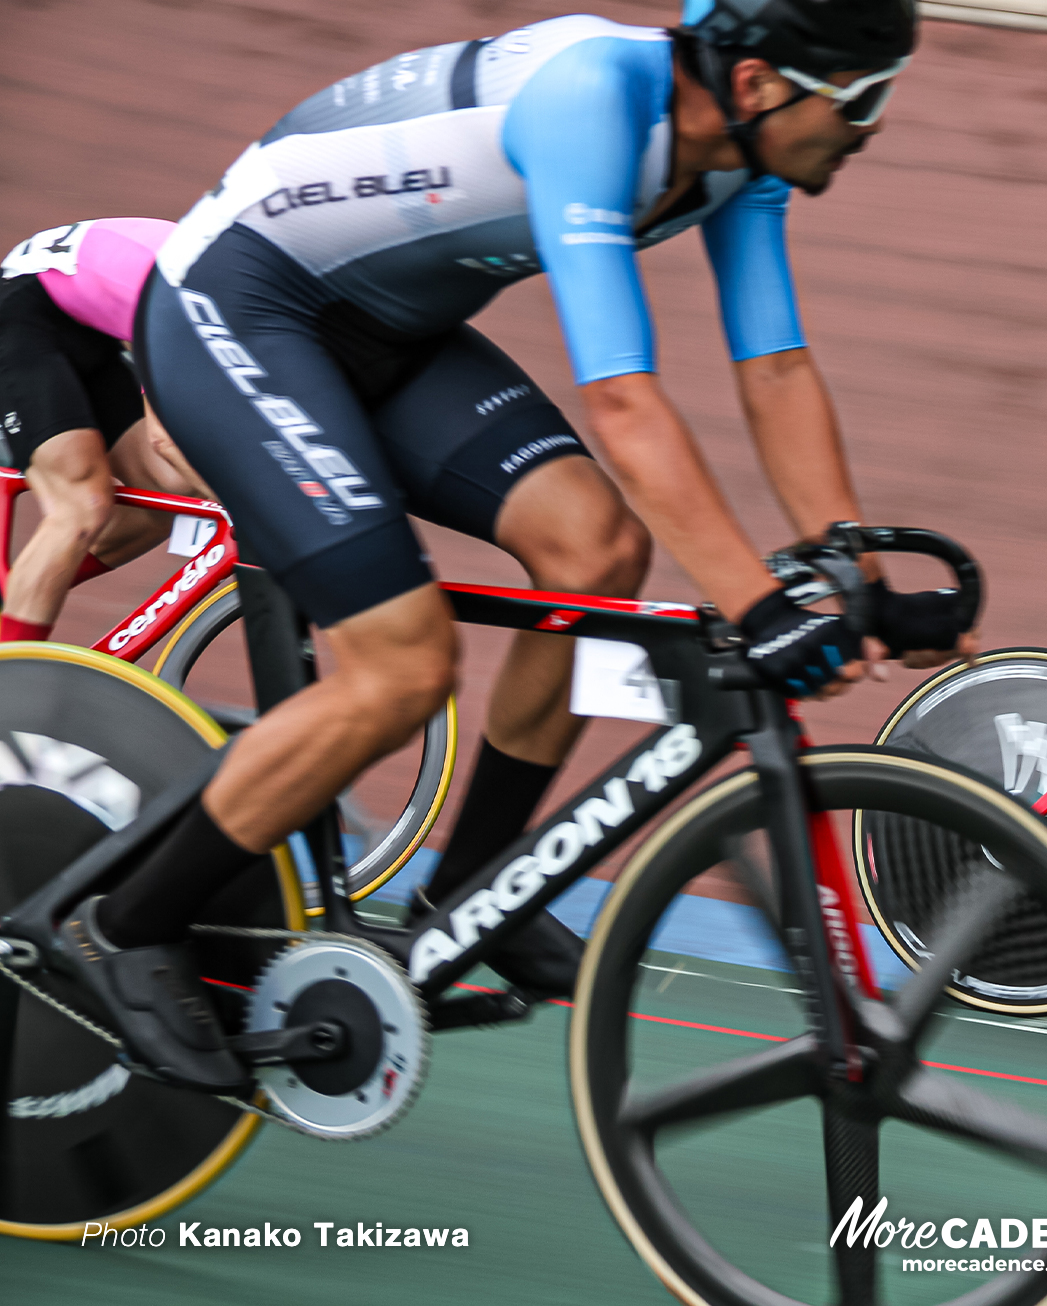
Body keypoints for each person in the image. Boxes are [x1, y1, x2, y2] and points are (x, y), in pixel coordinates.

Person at [57, 0, 971, 1093]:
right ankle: (129, 923)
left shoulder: (738, 156)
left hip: (391, 331)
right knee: (404, 662)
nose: (872, 126)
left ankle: (472, 890)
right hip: (242, 305)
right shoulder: (594, 103)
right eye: (863, 97)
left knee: (594, 552)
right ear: (764, 83)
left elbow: (772, 368)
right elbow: (626, 404)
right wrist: (761, 607)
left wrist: (849, 572)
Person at [0, 218, 214, 643]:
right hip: (22, 315)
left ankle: (21, 599)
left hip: (86, 322)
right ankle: (11, 681)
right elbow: (166, 438)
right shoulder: (186, 300)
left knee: (167, 491)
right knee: (83, 502)